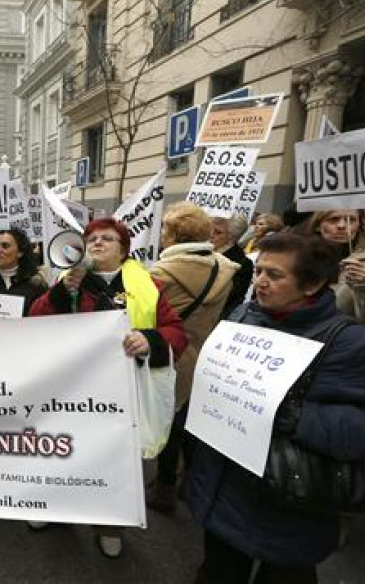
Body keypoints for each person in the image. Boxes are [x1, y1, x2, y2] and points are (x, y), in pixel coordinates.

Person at [187, 233, 365, 583]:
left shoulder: (353, 345)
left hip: (292, 507)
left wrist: (293, 416)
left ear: (312, 284)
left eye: (274, 275)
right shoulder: (243, 317)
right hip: (223, 493)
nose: (260, 281)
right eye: (259, 271)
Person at [28, 218, 188, 558]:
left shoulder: (149, 285)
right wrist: (60, 293)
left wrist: (150, 340)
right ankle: (54, 509)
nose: (97, 243)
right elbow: (35, 320)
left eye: (107, 239)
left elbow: (176, 331)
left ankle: (108, 524)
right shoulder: (66, 280)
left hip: (121, 390)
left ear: (124, 248)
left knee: (113, 460)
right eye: (92, 239)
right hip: (72, 388)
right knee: (62, 451)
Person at [147, 203, 240, 513]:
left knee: (166, 423)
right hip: (203, 353)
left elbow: (146, 317)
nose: (160, 234)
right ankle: (190, 482)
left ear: (174, 234)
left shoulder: (161, 274)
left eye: (164, 229)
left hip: (171, 352)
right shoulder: (223, 268)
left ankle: (164, 488)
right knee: (188, 421)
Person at [310, 209, 365, 334]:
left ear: (360, 225)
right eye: (333, 219)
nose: (342, 225)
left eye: (351, 220)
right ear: (318, 225)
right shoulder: (301, 258)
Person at [209, 215, 254, 319]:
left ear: (232, 237)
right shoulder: (203, 252)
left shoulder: (242, 264)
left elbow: (229, 298)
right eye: (210, 229)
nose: (211, 234)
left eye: (218, 232)